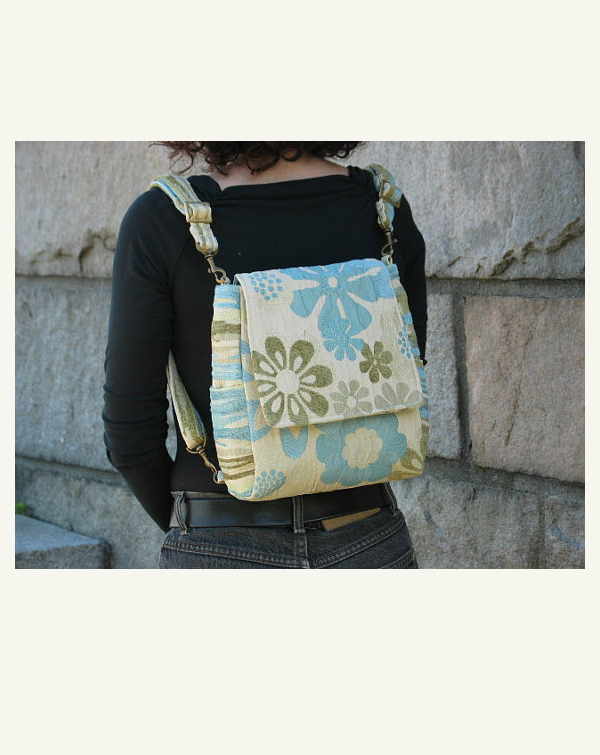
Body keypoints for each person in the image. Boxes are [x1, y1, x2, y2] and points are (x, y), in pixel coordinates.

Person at [102, 142, 427, 568]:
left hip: (221, 538)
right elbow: (409, 368)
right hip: (369, 535)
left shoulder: (164, 220)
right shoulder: (384, 210)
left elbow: (130, 435)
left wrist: (191, 530)